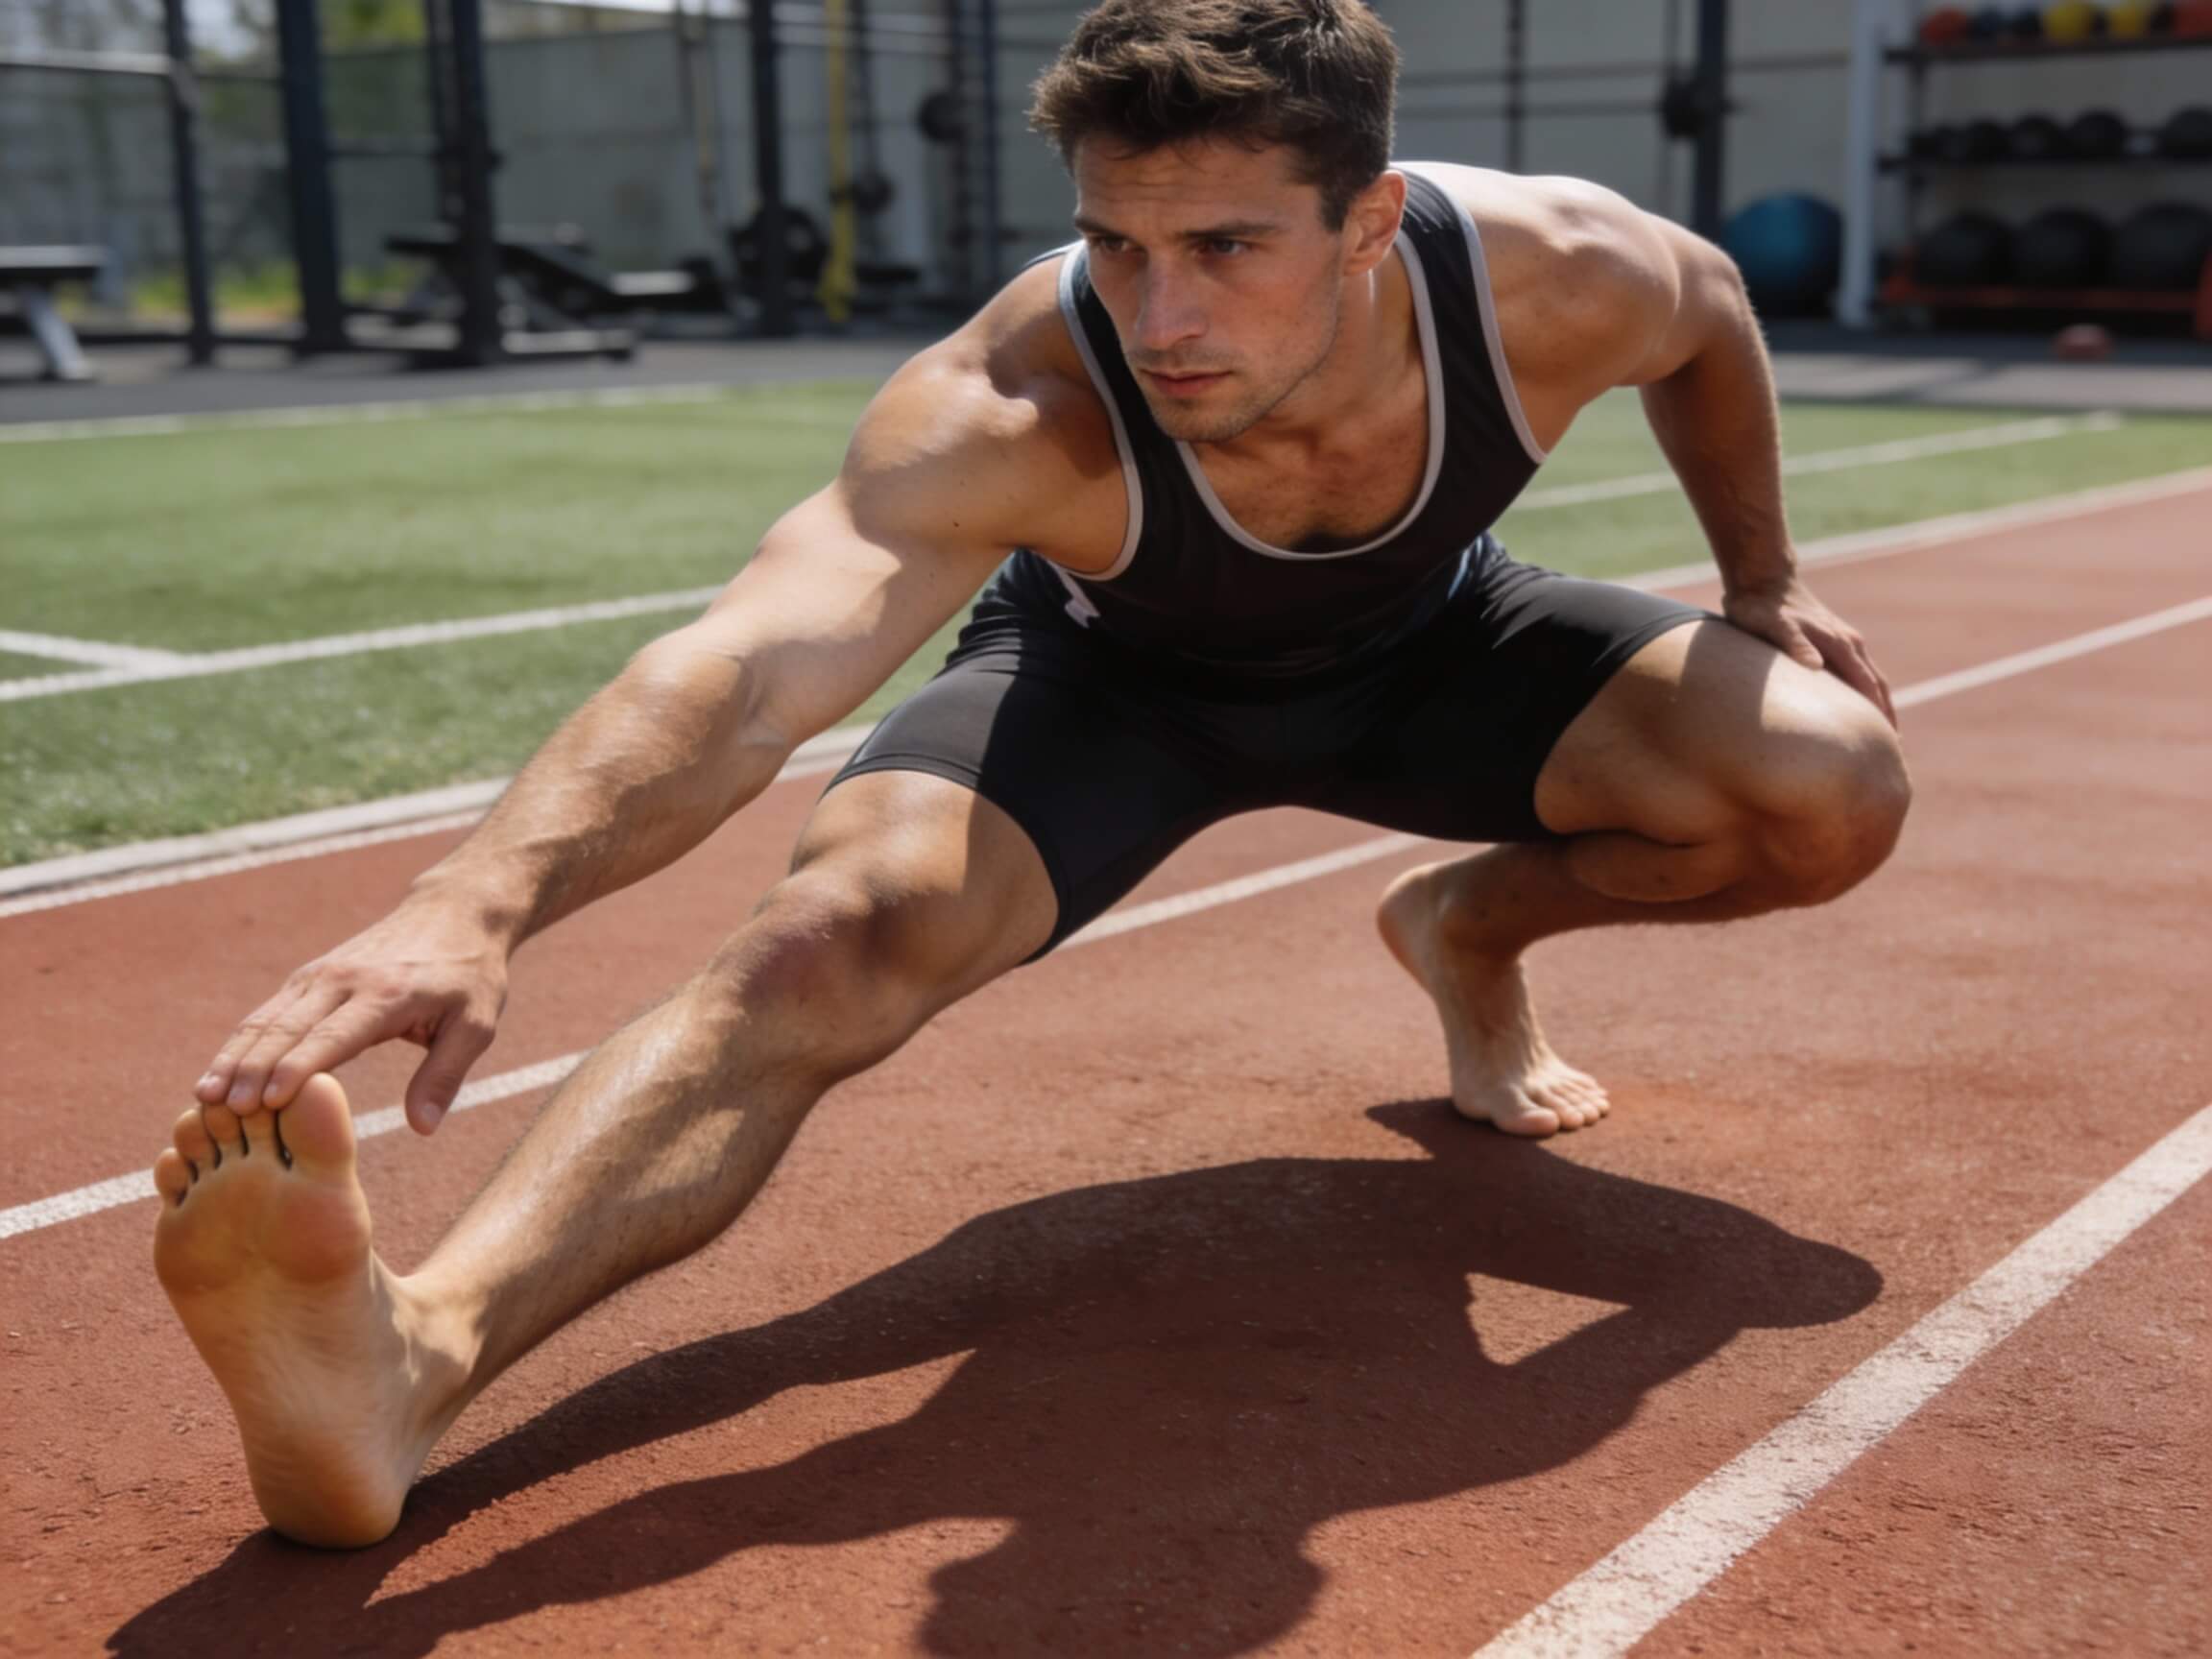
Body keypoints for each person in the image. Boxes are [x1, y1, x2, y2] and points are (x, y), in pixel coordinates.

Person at [151, 0, 1909, 1549]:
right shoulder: (1015, 401)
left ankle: (1469, 928)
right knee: (822, 944)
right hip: (1111, 684)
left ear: (1371, 220)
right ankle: (413, 1357)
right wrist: (475, 900)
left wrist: (1761, 577)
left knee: (1829, 786)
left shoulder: (1556, 270)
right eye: (1116, 246)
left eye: (1227, 246)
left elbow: (1713, 311)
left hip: (1430, 648)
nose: (1162, 313)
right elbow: (745, 673)